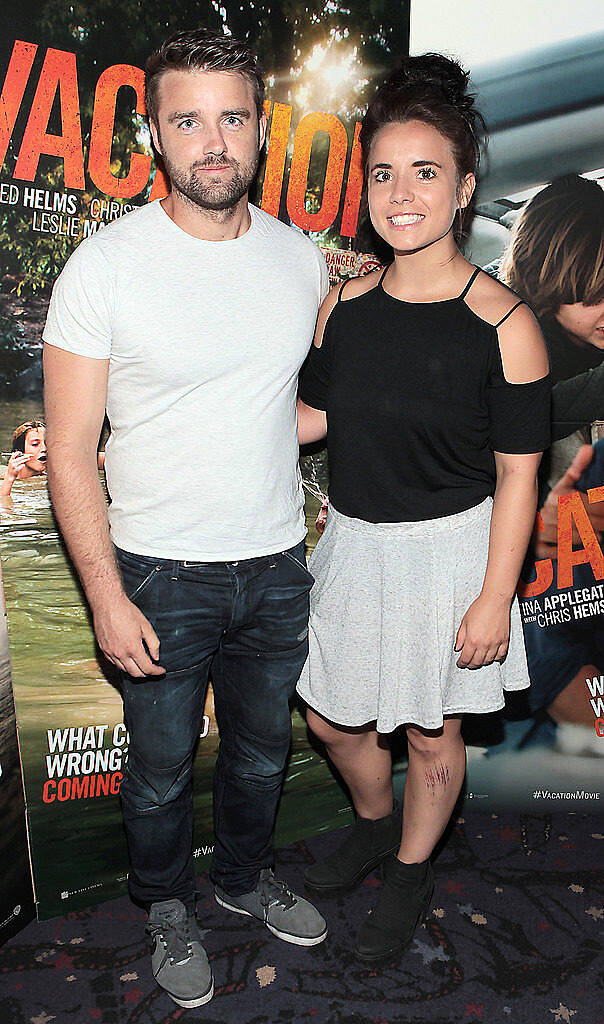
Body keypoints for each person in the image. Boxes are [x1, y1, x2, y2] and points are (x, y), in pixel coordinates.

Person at [42, 28, 329, 1010]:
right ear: (153, 135)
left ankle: (243, 879)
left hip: (278, 564)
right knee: (161, 772)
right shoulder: (105, 268)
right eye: (188, 120)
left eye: (233, 118)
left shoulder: (303, 264)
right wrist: (106, 597)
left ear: (261, 129)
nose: (214, 141)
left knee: (260, 751)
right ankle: (164, 903)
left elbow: (283, 409)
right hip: (158, 571)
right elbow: (71, 449)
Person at [295, 53, 551, 966]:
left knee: (431, 730)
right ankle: (376, 821)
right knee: (330, 717)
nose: (401, 194)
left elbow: (521, 475)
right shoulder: (345, 307)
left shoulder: (504, 324)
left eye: (426, 172)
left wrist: (494, 598)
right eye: (383, 173)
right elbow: (312, 418)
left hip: (453, 553)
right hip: (356, 545)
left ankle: (410, 867)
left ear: (465, 187)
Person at [499, 175, 604, 748]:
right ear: (547, 281)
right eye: (592, 293)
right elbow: (550, 406)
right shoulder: (518, 348)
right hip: (537, 589)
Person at [1, 420, 46, 499]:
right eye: (35, 444)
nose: (44, 448)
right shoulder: (3, 479)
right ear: (19, 452)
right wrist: (10, 479)